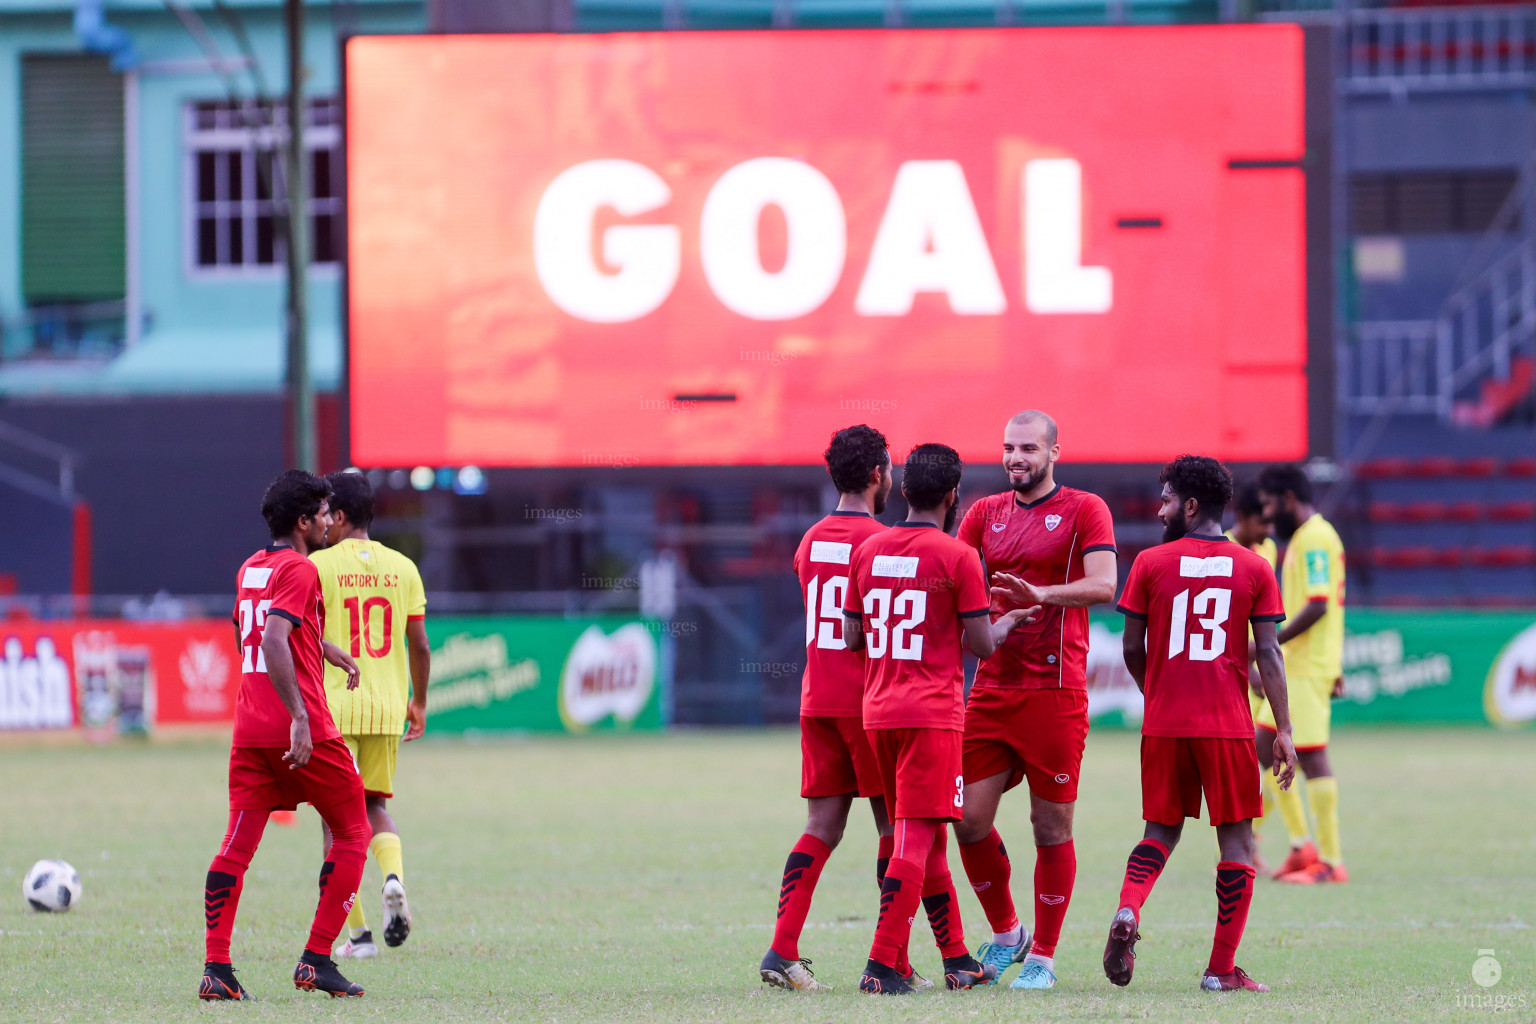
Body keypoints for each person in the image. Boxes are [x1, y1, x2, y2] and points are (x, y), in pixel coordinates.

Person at [842, 443, 1040, 995]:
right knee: (916, 836)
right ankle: (882, 964)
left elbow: (854, 636)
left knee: (922, 840)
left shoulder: (870, 550)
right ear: (954, 495)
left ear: (903, 490)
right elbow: (983, 646)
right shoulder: (957, 556)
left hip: (878, 712)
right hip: (932, 715)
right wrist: (1010, 622)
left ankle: (955, 958)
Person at [1105, 455, 1298, 993]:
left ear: (1190, 505)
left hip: (1165, 723)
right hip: (1228, 725)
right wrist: (1283, 730)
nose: (1160, 507)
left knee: (1159, 833)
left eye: (1166, 499)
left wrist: (1159, 693)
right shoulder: (1255, 566)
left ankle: (1128, 909)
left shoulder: (1149, 562)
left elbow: (1130, 647)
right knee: (1235, 843)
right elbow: (1269, 654)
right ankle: (1220, 970)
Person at [951, 410, 1118, 989]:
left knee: (1050, 826)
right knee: (968, 822)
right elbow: (954, 576)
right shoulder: (983, 513)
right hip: (992, 688)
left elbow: (1105, 585)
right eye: (1007, 447)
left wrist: (1041, 594)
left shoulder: (1084, 509)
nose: (1015, 457)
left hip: (1055, 691)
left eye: (1027, 447)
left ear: (1053, 453)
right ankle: (1007, 935)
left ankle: (1043, 956)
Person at [199, 470, 372, 1001]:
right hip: (305, 728)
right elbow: (275, 639)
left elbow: (249, 633)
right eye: (322, 512)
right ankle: (317, 958)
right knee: (353, 832)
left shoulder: (252, 566)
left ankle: (217, 970)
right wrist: (298, 714)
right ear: (302, 521)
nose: (328, 520)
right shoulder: (302, 568)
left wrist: (320, 646)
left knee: (235, 848)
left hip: (250, 729)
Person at [762, 425, 921, 992]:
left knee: (822, 826)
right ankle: (892, 961)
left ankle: (781, 951)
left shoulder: (809, 540)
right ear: (880, 474)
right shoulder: (882, 544)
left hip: (816, 699)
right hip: (867, 704)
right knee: (895, 829)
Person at [311, 470, 431, 958]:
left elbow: (301, 635)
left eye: (325, 515)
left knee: (333, 825)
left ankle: (358, 935)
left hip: (336, 709)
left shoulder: (319, 566)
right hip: (385, 711)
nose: (322, 524)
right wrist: (417, 702)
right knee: (375, 808)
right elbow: (419, 644)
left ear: (338, 516)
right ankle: (394, 877)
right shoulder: (404, 568)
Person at [1255, 463, 1348, 884]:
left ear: (1289, 499)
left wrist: (1273, 641)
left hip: (1306, 666)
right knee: (1262, 747)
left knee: (1310, 757)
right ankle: (1296, 845)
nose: (1268, 514)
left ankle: (1329, 861)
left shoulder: (1313, 540)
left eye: (1272, 505)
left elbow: (1318, 603)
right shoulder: (1306, 539)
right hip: (1303, 663)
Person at [1226, 481, 1279, 874]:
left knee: (1270, 760)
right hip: (1229, 677)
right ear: (1243, 518)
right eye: (1264, 522)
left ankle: (1250, 846)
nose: (1269, 531)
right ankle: (1240, 850)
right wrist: (1253, 671)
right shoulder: (1222, 553)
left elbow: (1264, 621)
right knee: (1263, 760)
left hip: (1258, 670)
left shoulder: (1267, 552)